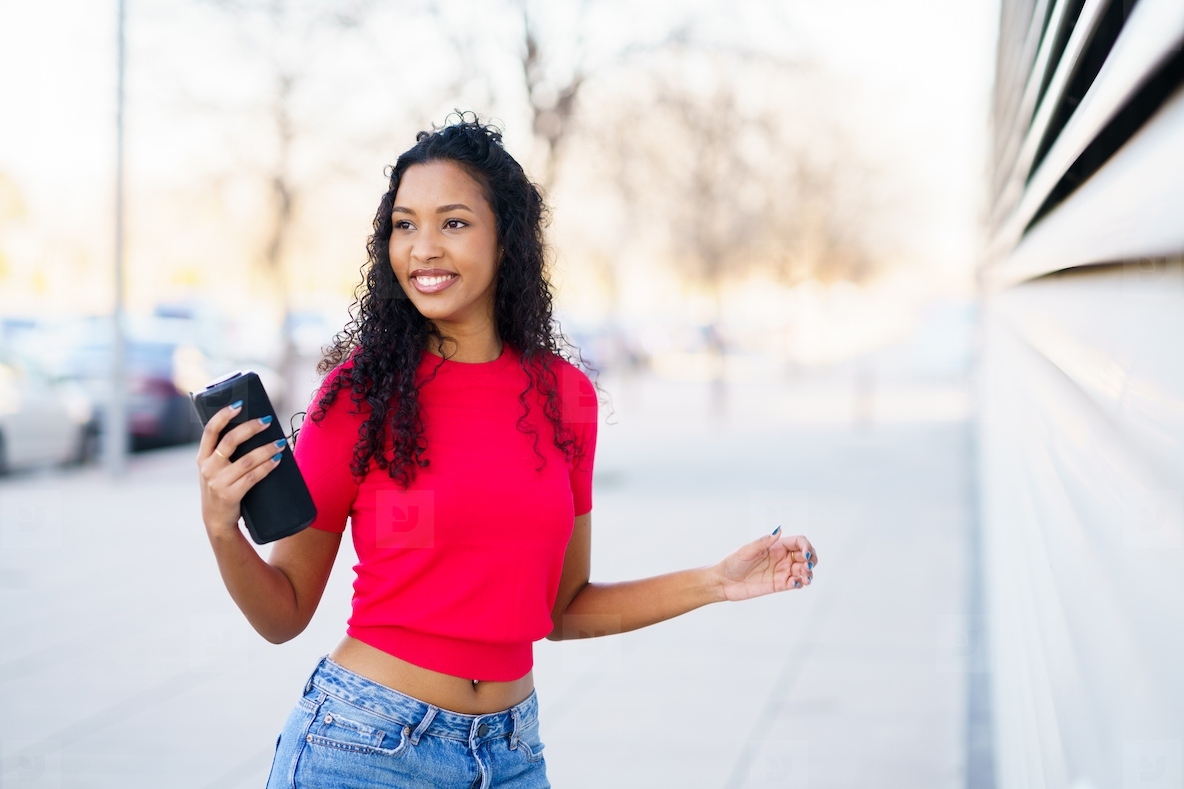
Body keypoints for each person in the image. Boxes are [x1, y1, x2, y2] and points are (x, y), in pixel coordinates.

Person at [196, 113, 819, 789]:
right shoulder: (360, 396)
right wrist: (222, 528)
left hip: (511, 753)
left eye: (453, 222)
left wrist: (716, 581)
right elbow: (283, 612)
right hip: (364, 747)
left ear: (506, 239)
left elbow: (563, 608)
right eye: (405, 224)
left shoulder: (565, 397)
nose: (423, 248)